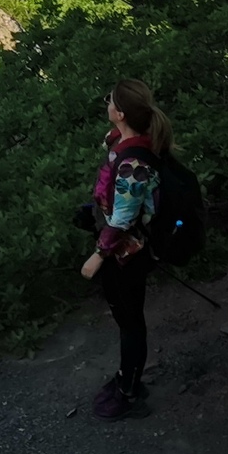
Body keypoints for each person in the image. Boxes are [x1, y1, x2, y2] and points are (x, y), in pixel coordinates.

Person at [80, 78, 170, 420]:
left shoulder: (133, 163)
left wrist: (97, 257)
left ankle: (128, 391)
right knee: (128, 320)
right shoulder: (123, 142)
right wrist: (93, 212)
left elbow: (125, 217)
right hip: (124, 249)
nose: (106, 104)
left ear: (119, 113)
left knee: (131, 323)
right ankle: (127, 379)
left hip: (126, 255)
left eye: (109, 100)